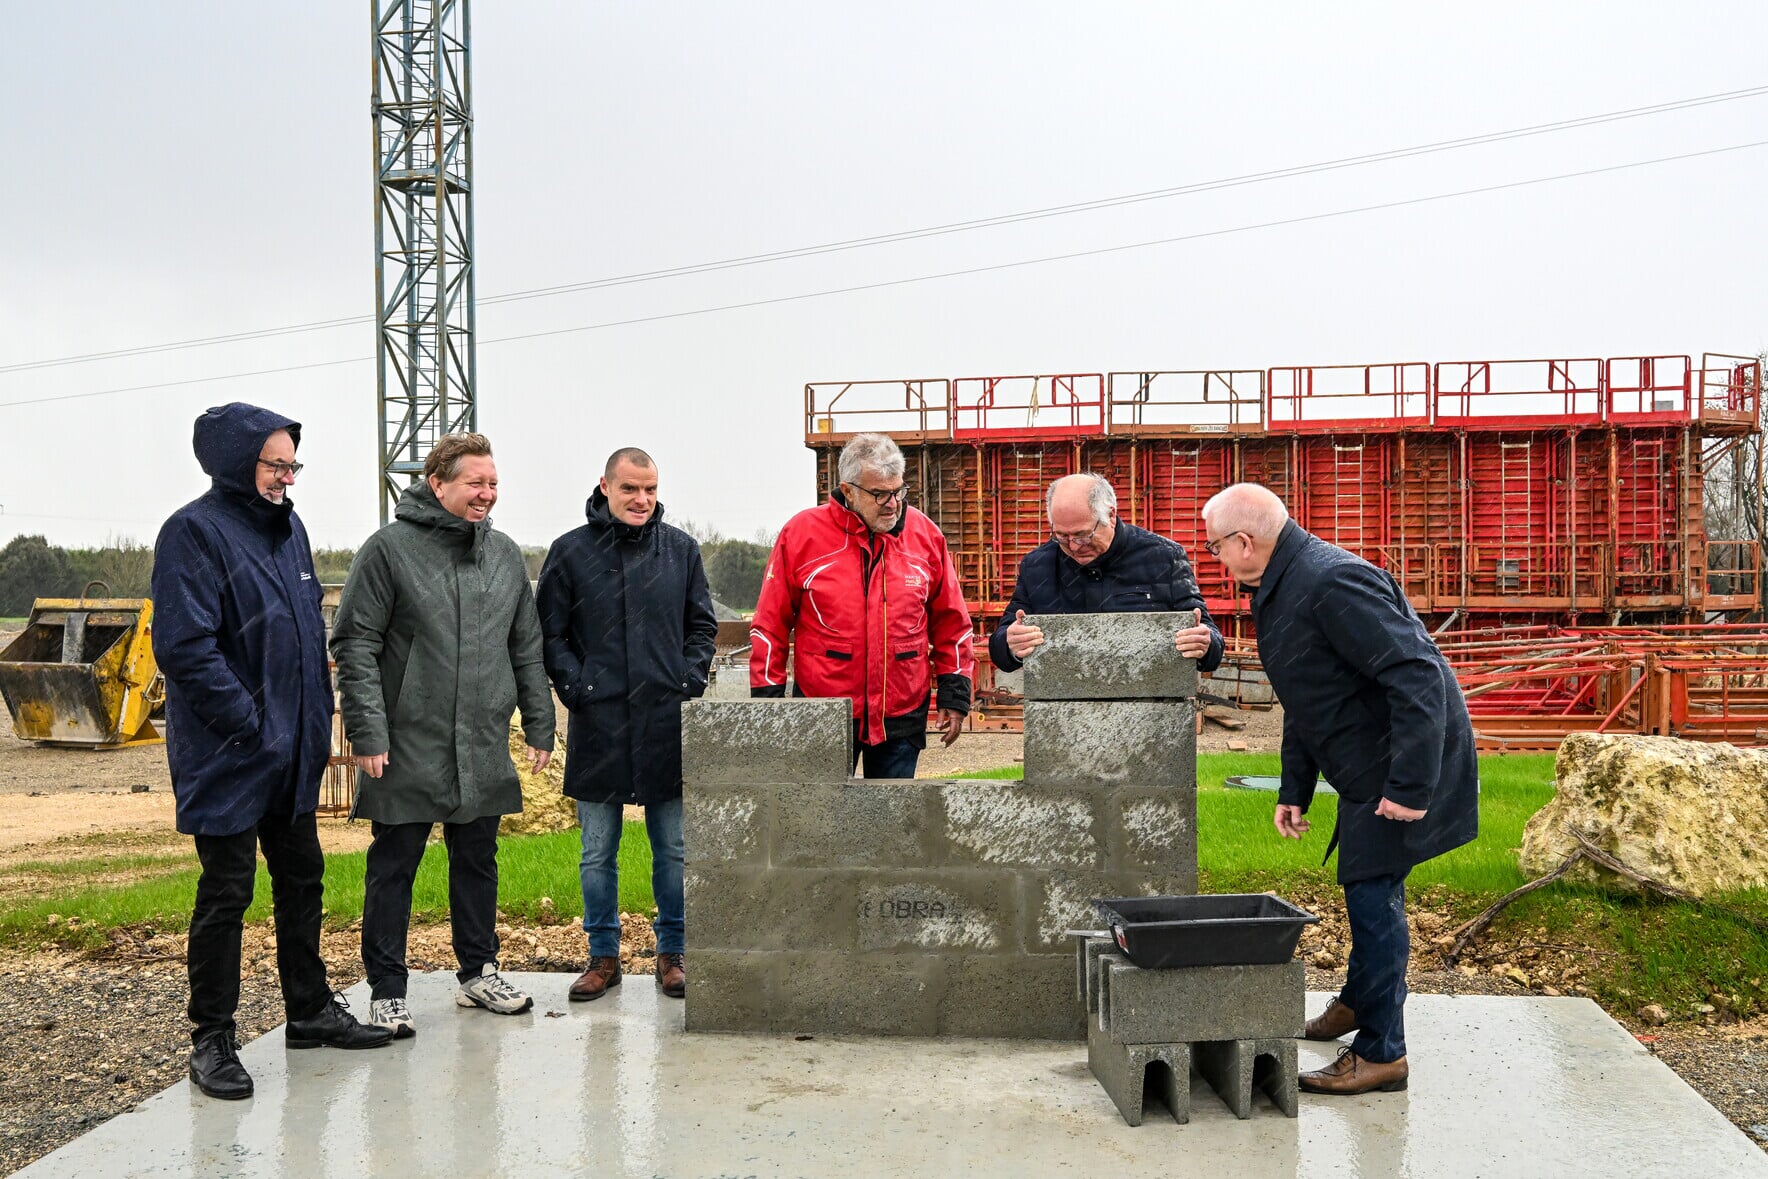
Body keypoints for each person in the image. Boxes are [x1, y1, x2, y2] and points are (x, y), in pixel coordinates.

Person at [1199, 482, 1478, 1095]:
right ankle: (1357, 1002)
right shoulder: (1286, 581)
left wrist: (1409, 786)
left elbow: (1416, 675)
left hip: (1397, 763)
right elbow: (1309, 692)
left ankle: (1382, 1052)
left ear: (1245, 542)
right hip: (1368, 763)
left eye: (1216, 545)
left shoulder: (1329, 582)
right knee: (1365, 885)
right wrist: (1293, 786)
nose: (1213, 557)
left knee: (1372, 895)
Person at [152, 402, 391, 1101]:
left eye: (293, 464)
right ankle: (212, 1038)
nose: (287, 477)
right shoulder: (191, 534)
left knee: (303, 879)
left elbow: (303, 637)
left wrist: (311, 722)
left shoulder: (289, 532)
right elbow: (186, 648)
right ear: (236, 462)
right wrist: (251, 723)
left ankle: (309, 1010)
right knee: (227, 891)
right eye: (274, 464)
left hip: (291, 750)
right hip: (230, 752)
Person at [331, 432, 556, 1037]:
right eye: (474, 483)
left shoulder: (505, 555)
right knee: (394, 864)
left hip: (480, 740)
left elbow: (526, 647)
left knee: (478, 859)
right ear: (437, 484)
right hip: (409, 739)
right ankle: (386, 988)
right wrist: (369, 732)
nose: (487, 494)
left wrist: (540, 722)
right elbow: (355, 643)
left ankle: (479, 972)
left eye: (493, 484)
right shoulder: (388, 551)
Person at [537, 447, 718, 1002]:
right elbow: (551, 634)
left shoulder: (680, 550)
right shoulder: (570, 552)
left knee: (675, 849)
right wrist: (580, 688)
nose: (642, 500)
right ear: (605, 487)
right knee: (596, 852)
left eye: (651, 490)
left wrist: (687, 678)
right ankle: (603, 956)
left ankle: (673, 954)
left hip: (666, 722)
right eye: (630, 490)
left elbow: (701, 625)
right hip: (601, 724)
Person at [750, 432, 974, 778]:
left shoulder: (926, 537)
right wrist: (768, 702)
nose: (893, 503)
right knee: (819, 823)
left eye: (899, 491)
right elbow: (770, 625)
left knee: (891, 827)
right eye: (879, 494)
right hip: (822, 713)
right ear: (849, 490)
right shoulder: (801, 535)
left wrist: (954, 695)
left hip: (901, 714)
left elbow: (952, 624)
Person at [990, 473, 1223, 672]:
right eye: (1061, 537)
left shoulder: (1164, 557)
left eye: (1083, 535)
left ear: (1111, 516)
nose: (1073, 546)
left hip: (1147, 710)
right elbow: (1000, 648)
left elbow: (1210, 638)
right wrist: (1011, 645)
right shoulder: (1036, 566)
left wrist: (1205, 644)